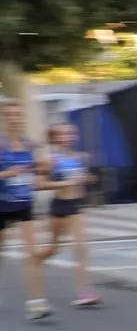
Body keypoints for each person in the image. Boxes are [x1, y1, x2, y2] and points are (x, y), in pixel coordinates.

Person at [37, 123, 100, 307]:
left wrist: (86, 180)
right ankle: (35, 262)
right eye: (63, 134)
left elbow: (80, 180)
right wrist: (66, 183)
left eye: (72, 133)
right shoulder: (49, 159)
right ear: (55, 137)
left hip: (76, 206)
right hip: (59, 207)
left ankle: (85, 292)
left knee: (80, 247)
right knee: (53, 248)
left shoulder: (82, 158)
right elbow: (39, 184)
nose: (69, 136)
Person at [0, 101, 50, 320]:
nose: (14, 118)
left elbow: (37, 176)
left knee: (32, 253)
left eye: (17, 115)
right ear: (3, 118)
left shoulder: (30, 145)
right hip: (1, 205)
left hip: (24, 204)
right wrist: (7, 174)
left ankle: (36, 303)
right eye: (9, 115)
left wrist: (42, 171)